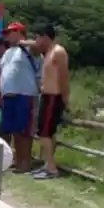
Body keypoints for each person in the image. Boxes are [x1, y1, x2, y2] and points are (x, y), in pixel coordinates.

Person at [0, 22, 41, 173]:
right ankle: (17, 159)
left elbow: (39, 45)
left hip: (25, 94)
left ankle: (26, 162)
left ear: (19, 32)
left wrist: (23, 42)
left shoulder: (27, 48)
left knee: (24, 131)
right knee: (14, 130)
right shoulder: (8, 52)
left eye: (10, 32)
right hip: (8, 96)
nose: (7, 36)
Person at [31, 23, 70, 180]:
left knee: (45, 133)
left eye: (38, 37)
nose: (36, 41)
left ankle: (52, 168)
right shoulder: (47, 52)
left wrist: (66, 99)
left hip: (54, 97)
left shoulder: (58, 52)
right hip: (46, 96)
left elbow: (63, 77)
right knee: (46, 132)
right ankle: (48, 164)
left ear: (45, 37)